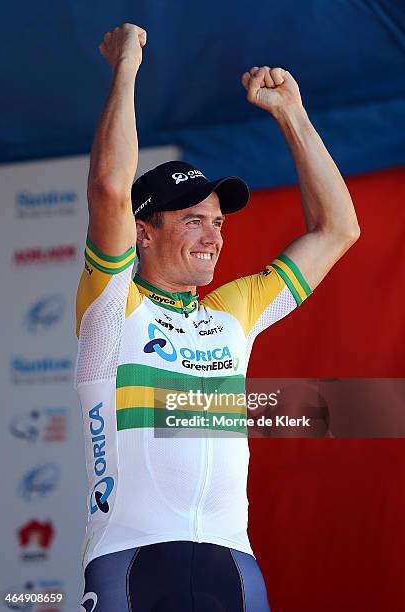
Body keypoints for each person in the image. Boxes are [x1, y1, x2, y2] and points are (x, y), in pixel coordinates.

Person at [75, 23, 360, 612]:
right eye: (191, 220)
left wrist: (292, 115)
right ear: (142, 232)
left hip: (235, 564)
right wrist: (126, 66)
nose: (213, 237)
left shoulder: (233, 309)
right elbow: (109, 187)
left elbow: (338, 230)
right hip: (133, 564)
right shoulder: (112, 304)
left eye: (218, 221)